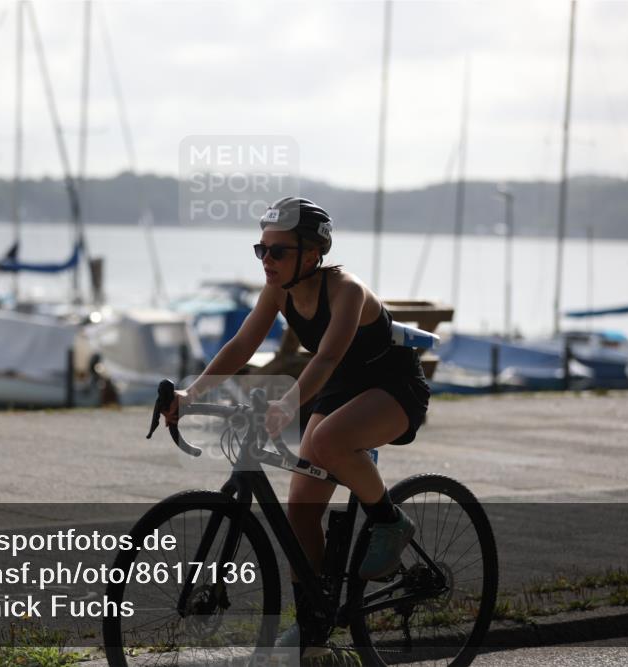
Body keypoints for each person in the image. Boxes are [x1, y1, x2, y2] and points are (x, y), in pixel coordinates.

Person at [164, 196, 431, 657]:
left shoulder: (347, 290)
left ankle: (391, 521)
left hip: (393, 385)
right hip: (340, 387)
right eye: (261, 250)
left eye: (277, 251)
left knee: (327, 440)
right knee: (301, 511)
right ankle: (313, 627)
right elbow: (242, 345)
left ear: (311, 254)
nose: (266, 260)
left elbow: (326, 357)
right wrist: (190, 394)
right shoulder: (279, 290)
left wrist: (288, 404)